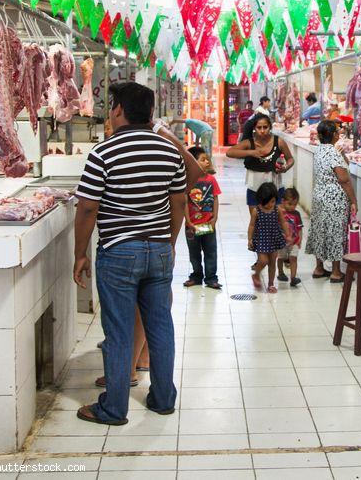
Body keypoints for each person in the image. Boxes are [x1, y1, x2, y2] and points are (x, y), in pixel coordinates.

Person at [72, 82, 202, 427]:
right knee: (161, 327)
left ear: (118, 110)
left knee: (118, 331)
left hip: (118, 252)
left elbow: (87, 209)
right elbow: (178, 203)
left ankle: (114, 408)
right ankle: (162, 399)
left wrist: (79, 254)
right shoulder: (169, 152)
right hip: (158, 250)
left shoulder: (104, 152)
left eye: (111, 106)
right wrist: (168, 243)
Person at [306, 120, 358, 283]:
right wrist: (353, 200)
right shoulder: (333, 153)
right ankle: (336, 272)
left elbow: (343, 164)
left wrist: (342, 153)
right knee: (336, 231)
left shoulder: (320, 149)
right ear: (335, 135)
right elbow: (343, 179)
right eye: (337, 132)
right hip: (334, 197)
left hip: (319, 195)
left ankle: (319, 268)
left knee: (319, 229)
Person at [226, 113, 294, 221]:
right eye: (259, 127)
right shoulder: (249, 143)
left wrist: (285, 167)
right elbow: (230, 152)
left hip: (276, 188)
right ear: (254, 129)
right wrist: (251, 153)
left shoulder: (279, 142)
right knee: (257, 222)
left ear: (270, 128)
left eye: (265, 127)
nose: (262, 130)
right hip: (254, 189)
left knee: (277, 222)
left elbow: (290, 159)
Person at [183, 146, 221, 289]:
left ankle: (211, 278)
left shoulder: (211, 180)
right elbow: (185, 201)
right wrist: (188, 221)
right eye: (203, 160)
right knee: (194, 253)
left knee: (210, 251)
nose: (207, 162)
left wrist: (214, 218)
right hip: (192, 225)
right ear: (193, 162)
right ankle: (196, 276)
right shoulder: (188, 181)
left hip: (207, 224)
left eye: (207, 159)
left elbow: (215, 199)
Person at [248, 182, 292, 294]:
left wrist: (287, 235)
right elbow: (252, 225)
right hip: (261, 239)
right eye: (266, 202)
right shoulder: (256, 211)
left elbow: (283, 222)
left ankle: (271, 284)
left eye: (272, 201)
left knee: (272, 262)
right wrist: (250, 239)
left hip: (274, 239)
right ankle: (256, 274)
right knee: (263, 260)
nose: (270, 205)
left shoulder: (277, 210)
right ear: (260, 200)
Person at [276, 188, 303, 288]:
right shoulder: (279, 212)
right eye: (290, 204)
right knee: (281, 257)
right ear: (283, 201)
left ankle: (293, 278)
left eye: (295, 205)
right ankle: (281, 273)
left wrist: (300, 239)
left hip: (294, 241)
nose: (293, 207)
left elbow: (300, 228)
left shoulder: (296, 214)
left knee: (293, 258)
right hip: (281, 242)